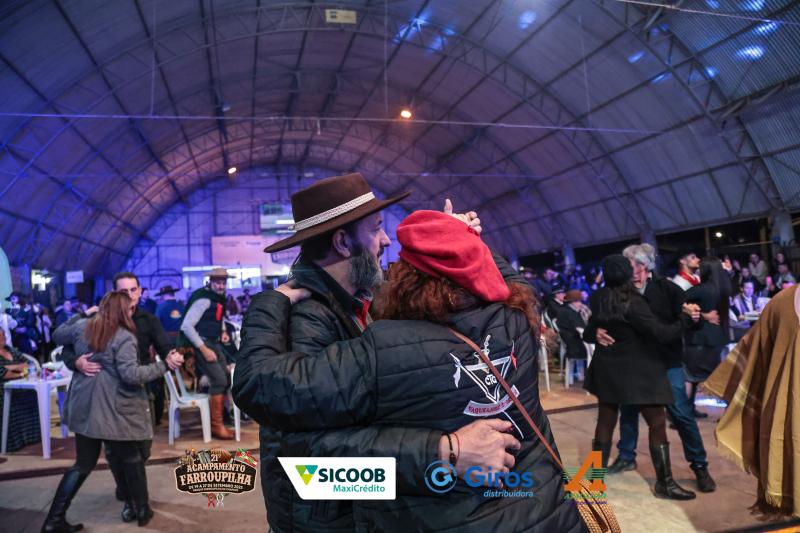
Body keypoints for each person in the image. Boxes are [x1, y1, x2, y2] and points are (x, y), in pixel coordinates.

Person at [234, 210, 584, 531]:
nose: (387, 241)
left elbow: (263, 392)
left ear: (408, 279)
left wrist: (268, 303)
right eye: (377, 228)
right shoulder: (516, 317)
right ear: (341, 241)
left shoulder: (389, 344)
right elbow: (307, 467)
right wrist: (443, 452)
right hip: (547, 512)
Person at [43, 292, 183, 532]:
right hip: (112, 409)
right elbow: (131, 375)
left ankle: (53, 520)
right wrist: (164, 366)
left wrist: (81, 315)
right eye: (128, 309)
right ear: (122, 311)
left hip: (84, 406)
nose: (131, 312)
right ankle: (142, 510)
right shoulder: (123, 337)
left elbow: (57, 335)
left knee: (83, 464)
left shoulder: (82, 327)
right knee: (131, 457)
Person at [583, 254, 697, 500]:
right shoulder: (634, 302)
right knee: (657, 423)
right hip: (640, 372)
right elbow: (662, 334)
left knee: (605, 423)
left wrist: (595, 332)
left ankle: (594, 481)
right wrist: (686, 318)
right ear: (627, 273)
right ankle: (665, 484)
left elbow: (589, 330)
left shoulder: (598, 297)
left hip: (608, 371)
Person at [605, 244, 716, 493]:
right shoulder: (620, 292)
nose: (631, 271)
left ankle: (699, 466)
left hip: (667, 363)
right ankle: (626, 456)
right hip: (633, 364)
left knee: (681, 414)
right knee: (629, 411)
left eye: (635, 265)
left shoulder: (666, 288)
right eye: (628, 266)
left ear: (646, 266)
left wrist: (695, 317)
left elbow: (689, 318)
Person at [705, 284, 800, 518]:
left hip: (787, 412)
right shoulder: (781, 303)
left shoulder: (781, 301)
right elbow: (755, 352)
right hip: (788, 411)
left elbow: (753, 353)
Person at [178, 268, 234, 440]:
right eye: (218, 282)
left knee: (226, 377)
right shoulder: (203, 299)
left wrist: (222, 331)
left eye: (223, 282)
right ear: (210, 282)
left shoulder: (218, 298)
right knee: (219, 380)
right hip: (202, 343)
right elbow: (186, 326)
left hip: (214, 342)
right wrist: (203, 349)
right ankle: (216, 426)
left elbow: (218, 317)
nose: (221, 285)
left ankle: (221, 418)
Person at [684, 257, 731, 416]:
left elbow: (677, 300)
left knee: (690, 377)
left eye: (700, 268)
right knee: (718, 377)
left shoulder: (702, 289)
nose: (698, 270)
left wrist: (703, 315)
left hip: (701, 338)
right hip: (717, 337)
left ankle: (685, 414)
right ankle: (729, 413)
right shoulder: (723, 287)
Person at [0, 329, 41, 453]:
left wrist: (14, 368)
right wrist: (19, 369)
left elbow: (28, 365)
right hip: (3, 387)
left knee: (32, 393)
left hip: (21, 382)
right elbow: (4, 374)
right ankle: (11, 443)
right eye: (0, 336)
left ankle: (30, 438)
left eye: (3, 335)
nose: (3, 338)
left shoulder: (11, 350)